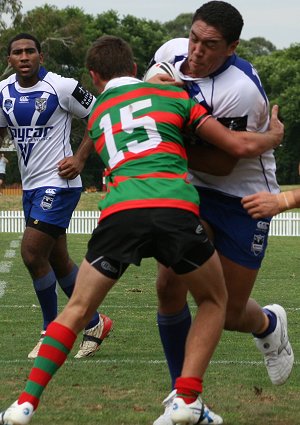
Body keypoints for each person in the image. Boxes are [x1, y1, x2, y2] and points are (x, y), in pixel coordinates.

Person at [0, 34, 284, 425]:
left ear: (94, 76)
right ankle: (187, 398)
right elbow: (234, 147)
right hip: (174, 208)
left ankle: (24, 403)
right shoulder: (175, 98)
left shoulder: (99, 113)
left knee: (78, 308)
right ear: (134, 68)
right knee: (215, 302)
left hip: (121, 213)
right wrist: (272, 136)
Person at [145, 2, 294, 424]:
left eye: (210, 45)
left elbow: (222, 163)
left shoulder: (240, 88)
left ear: (232, 48)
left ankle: (266, 324)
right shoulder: (171, 52)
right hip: (191, 189)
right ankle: (183, 399)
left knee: (229, 312)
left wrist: (168, 143)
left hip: (242, 196)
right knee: (169, 281)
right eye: (194, 37)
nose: (196, 51)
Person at [0, 33, 112, 360]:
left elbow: (100, 113)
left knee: (32, 253)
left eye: (29, 51)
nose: (24, 57)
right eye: (17, 52)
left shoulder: (61, 86)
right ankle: (94, 322)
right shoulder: (3, 91)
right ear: (9, 59)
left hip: (59, 184)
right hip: (31, 186)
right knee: (57, 260)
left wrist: (79, 159)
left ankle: (51, 332)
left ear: (41, 55)